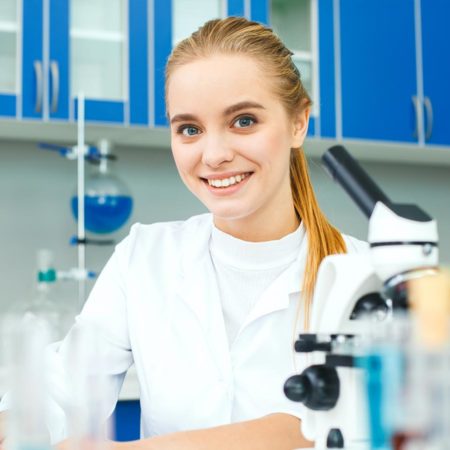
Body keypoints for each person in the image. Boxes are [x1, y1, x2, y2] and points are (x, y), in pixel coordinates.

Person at [0, 16, 367, 450]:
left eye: (244, 121)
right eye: (189, 129)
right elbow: (61, 391)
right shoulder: (146, 256)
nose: (213, 155)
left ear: (298, 122)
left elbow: (305, 431)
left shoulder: (365, 275)